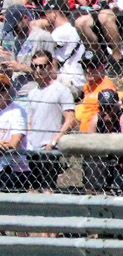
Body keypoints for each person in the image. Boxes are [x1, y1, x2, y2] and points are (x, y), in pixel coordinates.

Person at [16, 51, 73, 191]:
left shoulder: (61, 90)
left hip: (49, 148)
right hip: (33, 149)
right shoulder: (33, 92)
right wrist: (27, 141)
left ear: (49, 67)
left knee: (48, 189)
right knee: (33, 189)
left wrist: (54, 141)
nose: (37, 70)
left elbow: (70, 120)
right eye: (34, 66)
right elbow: (30, 119)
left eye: (41, 66)